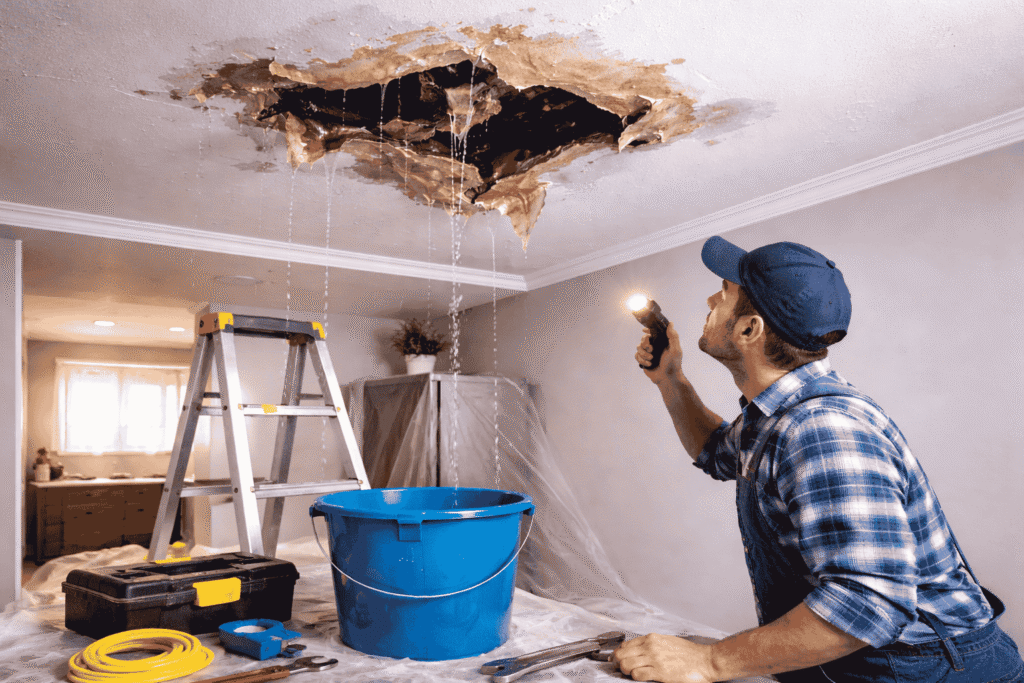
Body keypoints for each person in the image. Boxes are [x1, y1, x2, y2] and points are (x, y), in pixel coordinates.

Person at [617, 236, 1023, 682]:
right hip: (879, 660)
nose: (711, 298)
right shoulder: (775, 417)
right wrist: (671, 381)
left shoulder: (821, 428)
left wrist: (707, 661)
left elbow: (868, 605)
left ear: (749, 330)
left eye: (725, 293)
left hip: (923, 669)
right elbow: (716, 453)